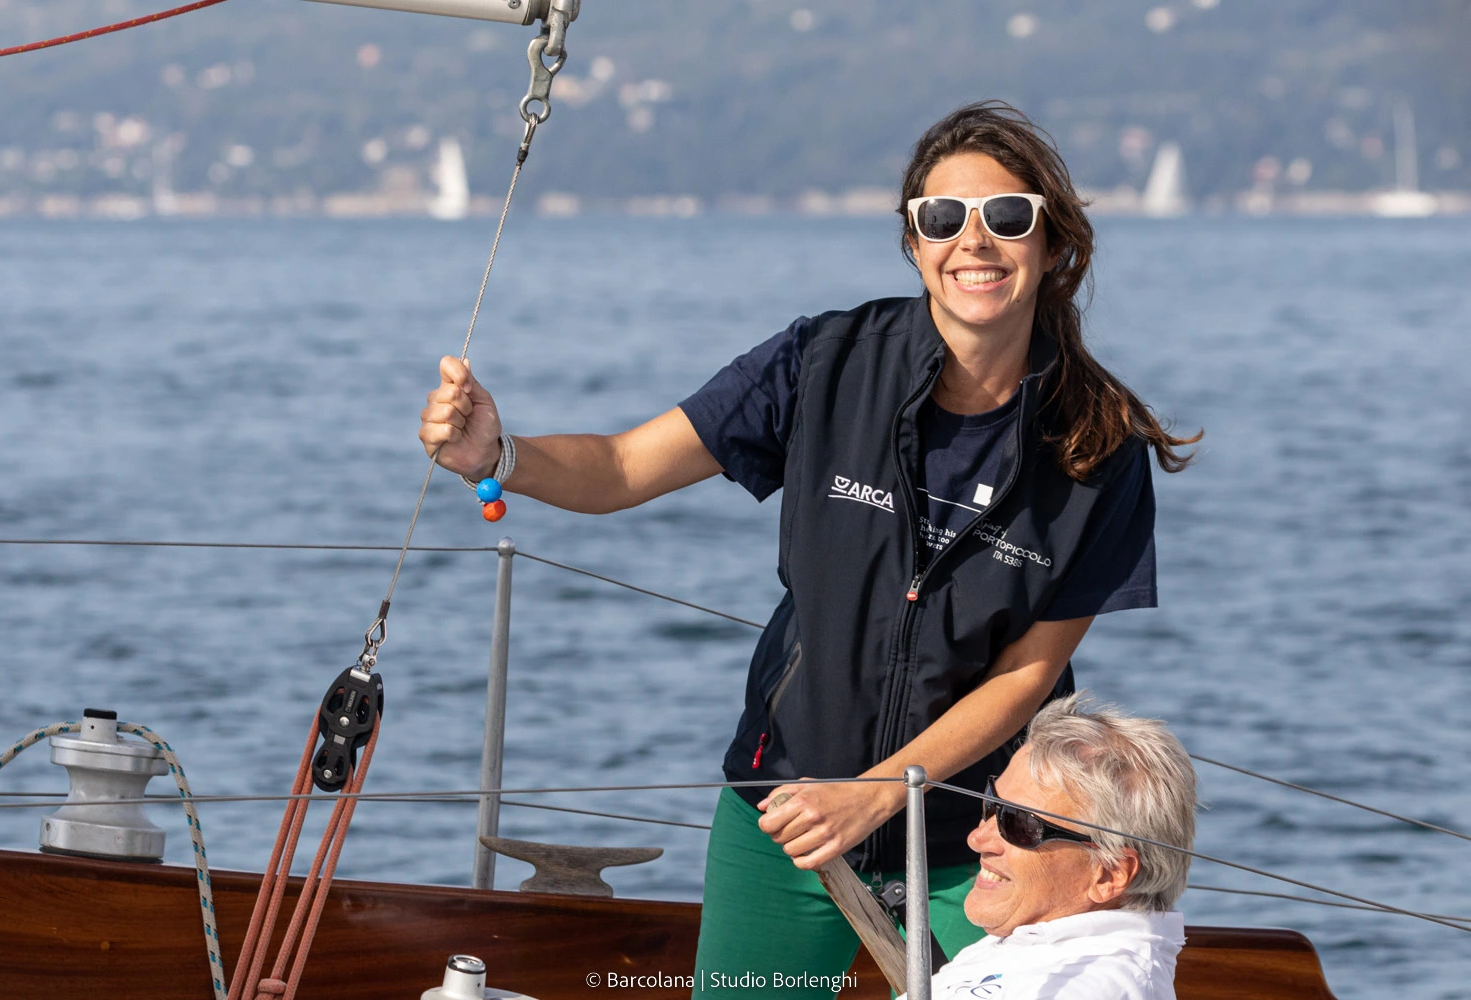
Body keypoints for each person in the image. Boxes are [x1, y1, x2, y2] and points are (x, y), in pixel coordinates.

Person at [418, 100, 1198, 997]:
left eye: (1007, 216)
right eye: (943, 217)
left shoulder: (1100, 443)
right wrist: (499, 457)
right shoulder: (823, 363)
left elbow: (1028, 676)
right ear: (913, 242)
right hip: (785, 815)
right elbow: (625, 466)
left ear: (1053, 242)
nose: (973, 241)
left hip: (978, 844)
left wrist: (880, 791)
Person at [928, 694, 1196, 999]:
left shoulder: (1094, 986)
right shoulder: (1019, 945)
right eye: (991, 803)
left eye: (1020, 825)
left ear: (1109, 874)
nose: (977, 839)